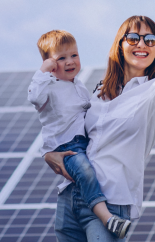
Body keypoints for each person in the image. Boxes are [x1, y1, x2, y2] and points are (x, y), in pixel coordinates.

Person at [45, 10, 155, 241]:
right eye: (134, 38)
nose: (142, 44)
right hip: (71, 195)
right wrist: (50, 153)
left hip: (112, 200)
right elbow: (70, 131)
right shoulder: (98, 93)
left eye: (150, 40)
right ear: (120, 45)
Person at [28, 30, 132, 238]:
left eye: (74, 55)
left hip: (81, 144)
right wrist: (43, 72)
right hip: (65, 147)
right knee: (85, 172)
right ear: (49, 63)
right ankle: (107, 218)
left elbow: (89, 112)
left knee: (88, 171)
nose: (70, 62)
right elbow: (35, 98)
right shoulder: (48, 86)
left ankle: (104, 215)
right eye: (61, 58)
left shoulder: (79, 86)